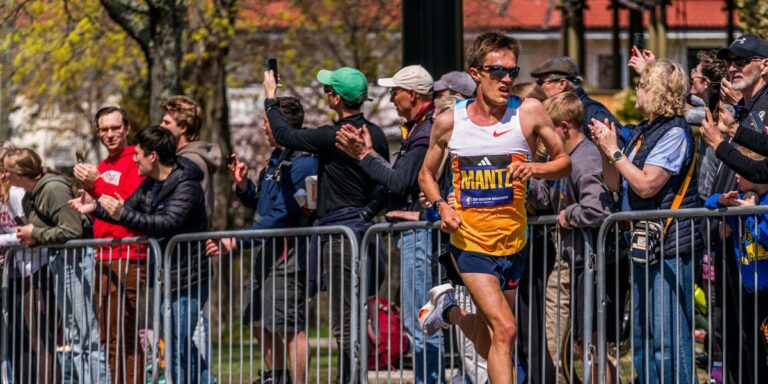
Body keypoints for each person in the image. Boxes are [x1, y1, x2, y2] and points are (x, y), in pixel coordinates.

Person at [417, 31, 571, 384]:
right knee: (506, 329)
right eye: (497, 72)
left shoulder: (528, 112)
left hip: (513, 243)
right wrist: (442, 206)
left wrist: (535, 167)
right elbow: (425, 175)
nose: (506, 80)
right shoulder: (450, 121)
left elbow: (564, 162)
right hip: (469, 243)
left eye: (512, 72)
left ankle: (449, 312)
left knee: (492, 337)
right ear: (475, 73)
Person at [262, 66, 389, 383]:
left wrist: (269, 98)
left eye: (327, 90)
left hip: (341, 237)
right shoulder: (374, 134)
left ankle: (350, 379)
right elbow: (384, 184)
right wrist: (366, 214)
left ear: (336, 98)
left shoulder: (335, 136)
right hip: (362, 232)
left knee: (344, 320)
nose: (325, 95)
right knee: (354, 312)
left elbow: (284, 135)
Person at [590, 59, 702, 384]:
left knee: (667, 339)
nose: (635, 90)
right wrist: (604, 148)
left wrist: (614, 152)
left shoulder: (675, 132)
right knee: (641, 338)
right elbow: (615, 183)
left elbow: (646, 184)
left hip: (669, 247)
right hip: (643, 246)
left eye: (641, 85)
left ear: (653, 91)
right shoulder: (643, 131)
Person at [335, 64, 443, 384]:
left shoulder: (425, 134)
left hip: (420, 238)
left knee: (422, 321)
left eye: (395, 91)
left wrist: (364, 155)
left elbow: (398, 182)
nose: (391, 98)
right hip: (412, 235)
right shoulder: (418, 129)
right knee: (420, 319)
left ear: (412, 94)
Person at [77, 126, 209, 384]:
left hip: (187, 277)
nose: (134, 158)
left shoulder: (187, 186)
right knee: (174, 345)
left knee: (178, 346)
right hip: (165, 276)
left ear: (153, 157)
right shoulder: (151, 184)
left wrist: (121, 213)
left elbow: (166, 223)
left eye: (138, 154)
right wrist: (95, 207)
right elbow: (126, 208)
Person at [207, 96, 317, 384]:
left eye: (266, 122)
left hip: (287, 258)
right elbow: (263, 206)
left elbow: (284, 213)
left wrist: (238, 241)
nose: (261, 128)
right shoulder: (276, 159)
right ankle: (275, 376)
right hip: (264, 254)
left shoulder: (303, 162)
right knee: (259, 322)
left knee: (289, 325)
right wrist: (244, 187)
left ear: (282, 125)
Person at [527, 92, 622, 383]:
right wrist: (528, 170)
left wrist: (570, 215)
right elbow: (545, 196)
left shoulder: (586, 159)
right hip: (576, 261)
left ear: (565, 127)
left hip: (594, 263)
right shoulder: (565, 159)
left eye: (547, 132)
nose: (543, 139)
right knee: (581, 341)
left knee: (590, 340)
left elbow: (598, 209)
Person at [4, 148, 109, 384]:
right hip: (61, 262)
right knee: (74, 334)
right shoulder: (31, 194)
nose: (5, 174)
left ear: (20, 173)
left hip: (77, 261)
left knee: (87, 336)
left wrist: (36, 233)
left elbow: (72, 229)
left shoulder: (52, 189)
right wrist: (34, 235)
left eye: (8, 170)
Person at [71, 106, 147, 384]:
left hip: (128, 256)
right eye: (104, 129)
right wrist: (87, 200)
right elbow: (102, 206)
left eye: (116, 128)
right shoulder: (103, 165)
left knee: (123, 334)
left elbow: (125, 205)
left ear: (126, 128)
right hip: (103, 255)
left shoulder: (135, 160)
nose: (110, 134)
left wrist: (97, 185)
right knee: (108, 335)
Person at [159, 95, 220, 382]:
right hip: (183, 258)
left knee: (181, 340)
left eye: (167, 122)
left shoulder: (190, 163)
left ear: (182, 127)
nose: (161, 125)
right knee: (177, 341)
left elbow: (197, 207)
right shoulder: (184, 160)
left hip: (189, 259)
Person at [703, 146, 768, 382]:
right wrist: (722, 199)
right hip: (750, 292)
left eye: (740, 170)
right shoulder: (740, 200)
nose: (736, 176)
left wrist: (754, 214)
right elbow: (711, 204)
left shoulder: (763, 204)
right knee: (754, 350)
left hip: (766, 291)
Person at [0, 143, 56, 384]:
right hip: (15, 273)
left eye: (6, 168)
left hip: (36, 269)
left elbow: (29, 233)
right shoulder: (7, 193)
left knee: (37, 341)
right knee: (20, 340)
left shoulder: (17, 193)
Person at [530, 56, 627, 147]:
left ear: (562, 84)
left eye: (541, 82)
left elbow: (616, 149)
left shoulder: (594, 113)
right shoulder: (564, 110)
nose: (538, 87)